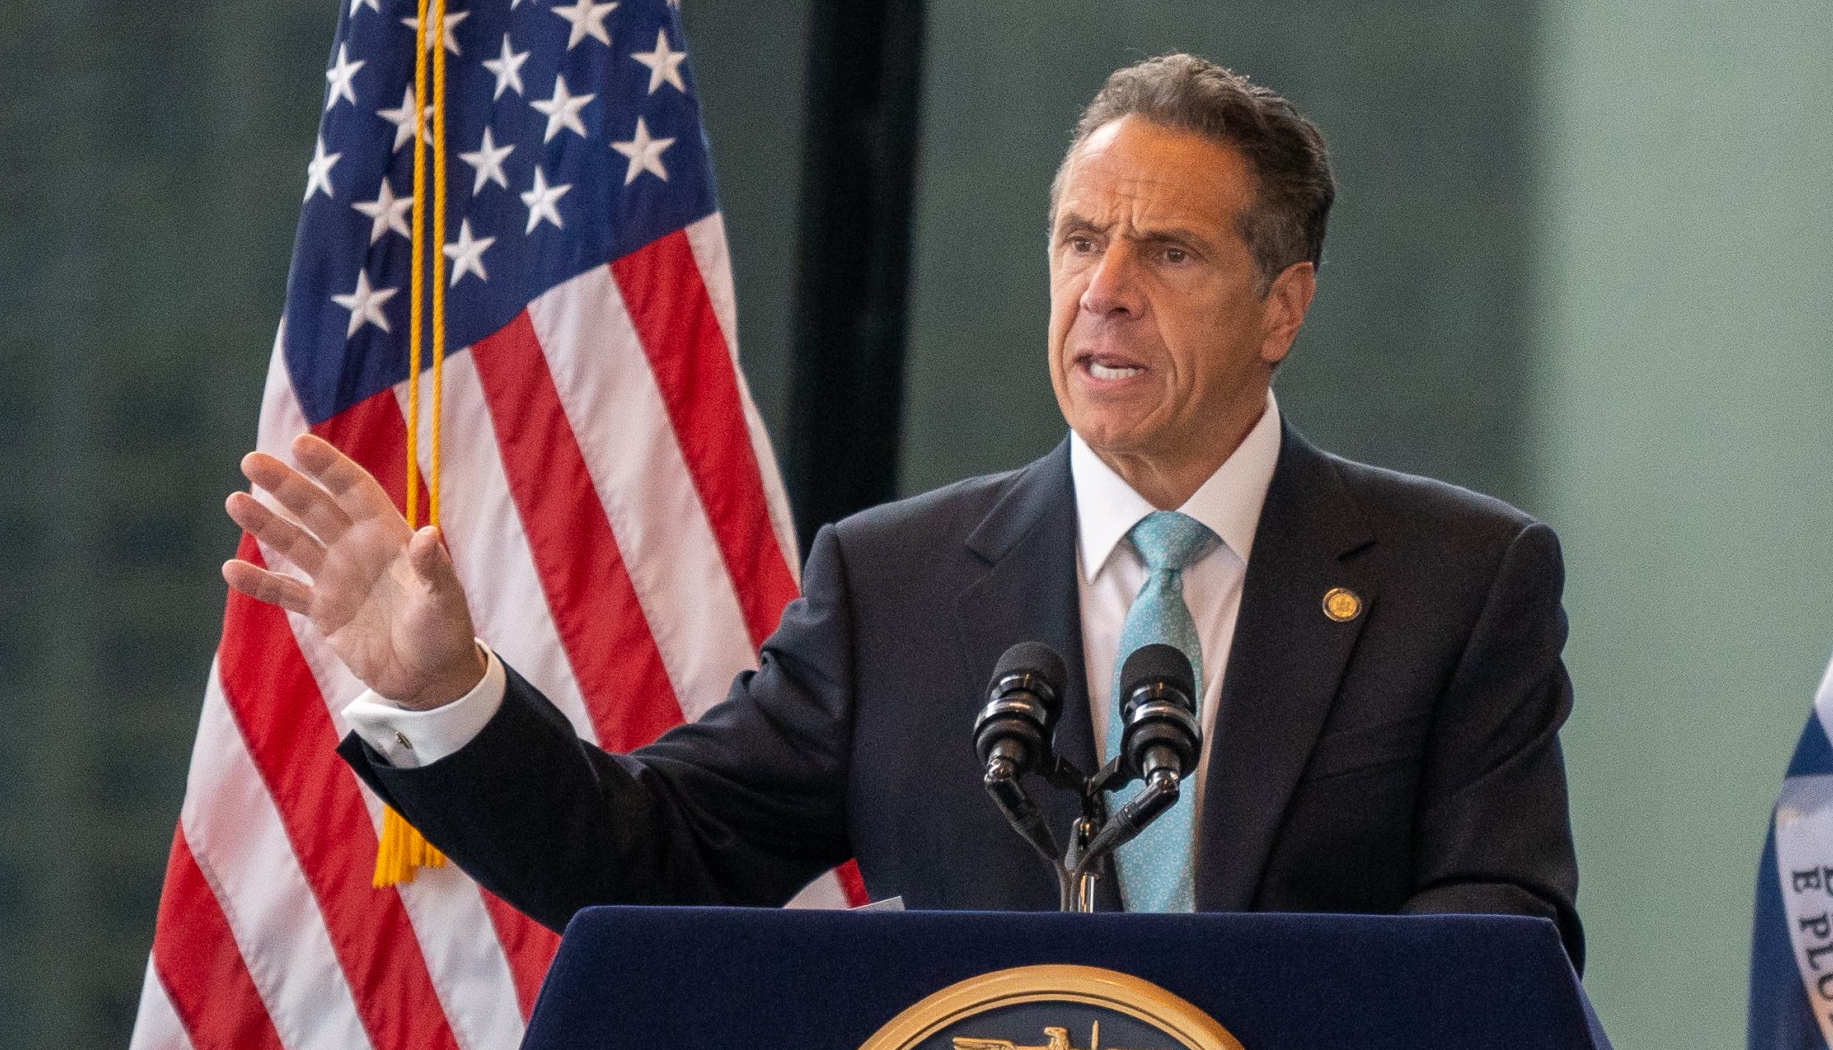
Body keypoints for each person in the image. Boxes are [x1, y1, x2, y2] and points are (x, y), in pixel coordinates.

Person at [222, 53, 1581, 962]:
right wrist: (447, 690)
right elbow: (660, 863)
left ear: (1283, 307)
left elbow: (1501, 939)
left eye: (1168, 252)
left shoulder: (1457, 582)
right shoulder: (900, 586)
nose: (1104, 287)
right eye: (1077, 239)